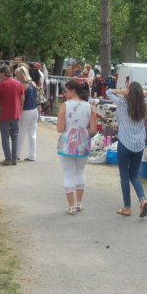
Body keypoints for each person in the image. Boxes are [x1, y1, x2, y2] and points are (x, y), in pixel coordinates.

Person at [107, 82, 147, 217]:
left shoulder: (122, 104)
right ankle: (142, 199)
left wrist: (122, 91)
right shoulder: (144, 103)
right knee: (134, 175)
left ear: (128, 92)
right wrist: (141, 92)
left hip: (124, 143)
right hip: (139, 144)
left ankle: (127, 207)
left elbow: (109, 92)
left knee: (124, 176)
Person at [56, 80, 96, 215]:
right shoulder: (89, 106)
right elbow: (93, 129)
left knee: (68, 173)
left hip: (68, 142)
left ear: (72, 90)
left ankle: (71, 206)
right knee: (80, 172)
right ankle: (79, 202)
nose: (65, 94)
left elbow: (60, 128)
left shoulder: (65, 106)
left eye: (65, 91)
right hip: (83, 142)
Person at [0, 64, 24, 166]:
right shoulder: (18, 83)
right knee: (15, 137)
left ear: (3, 74)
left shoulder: (0, 85)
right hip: (15, 114)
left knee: (5, 137)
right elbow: (22, 98)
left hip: (4, 115)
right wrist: (19, 109)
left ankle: (8, 159)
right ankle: (14, 158)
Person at [15, 66, 39, 161]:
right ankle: (32, 155)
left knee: (21, 133)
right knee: (32, 134)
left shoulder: (23, 86)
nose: (16, 76)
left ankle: (17, 154)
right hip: (34, 109)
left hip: (26, 111)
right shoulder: (32, 83)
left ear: (21, 75)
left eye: (17, 74)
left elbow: (21, 100)